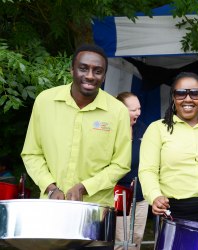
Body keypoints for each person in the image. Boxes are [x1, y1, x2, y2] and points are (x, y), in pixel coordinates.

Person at [21, 44, 131, 207]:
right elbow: (32, 153)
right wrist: (50, 187)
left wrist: (85, 187)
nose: (90, 76)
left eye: (98, 71)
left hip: (95, 209)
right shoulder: (45, 101)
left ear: (104, 76)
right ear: (72, 70)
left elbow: (121, 164)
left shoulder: (118, 111)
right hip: (51, 206)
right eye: (83, 68)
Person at [139, 72, 198, 227]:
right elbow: (148, 170)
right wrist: (155, 196)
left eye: (194, 93)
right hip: (174, 211)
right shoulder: (157, 129)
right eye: (181, 93)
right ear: (173, 97)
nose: (188, 99)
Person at [114, 92, 148, 250]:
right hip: (120, 194)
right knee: (121, 239)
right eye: (133, 110)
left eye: (139, 109)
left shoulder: (143, 129)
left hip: (141, 194)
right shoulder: (111, 130)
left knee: (137, 238)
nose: (138, 113)